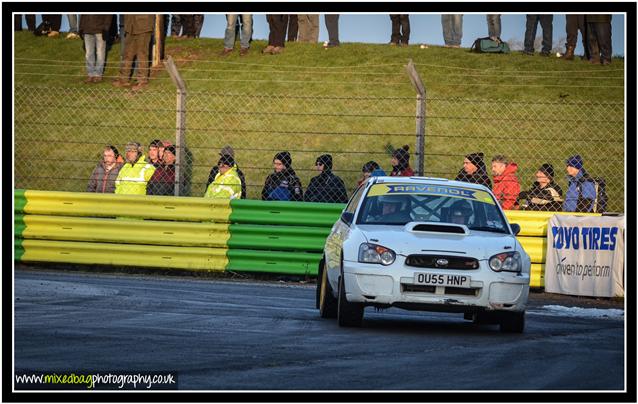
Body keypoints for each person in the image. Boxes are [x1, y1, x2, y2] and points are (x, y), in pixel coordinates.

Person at [112, 14, 155, 91]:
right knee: (127, 54)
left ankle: (142, 81)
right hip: (130, 26)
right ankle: (124, 79)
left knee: (142, 55)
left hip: (144, 26)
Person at [79, 14, 113, 83]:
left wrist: (106, 28)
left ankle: (98, 75)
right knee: (88, 54)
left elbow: (109, 15)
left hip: (100, 30)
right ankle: (90, 74)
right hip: (87, 30)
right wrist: (81, 28)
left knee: (100, 53)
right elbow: (82, 15)